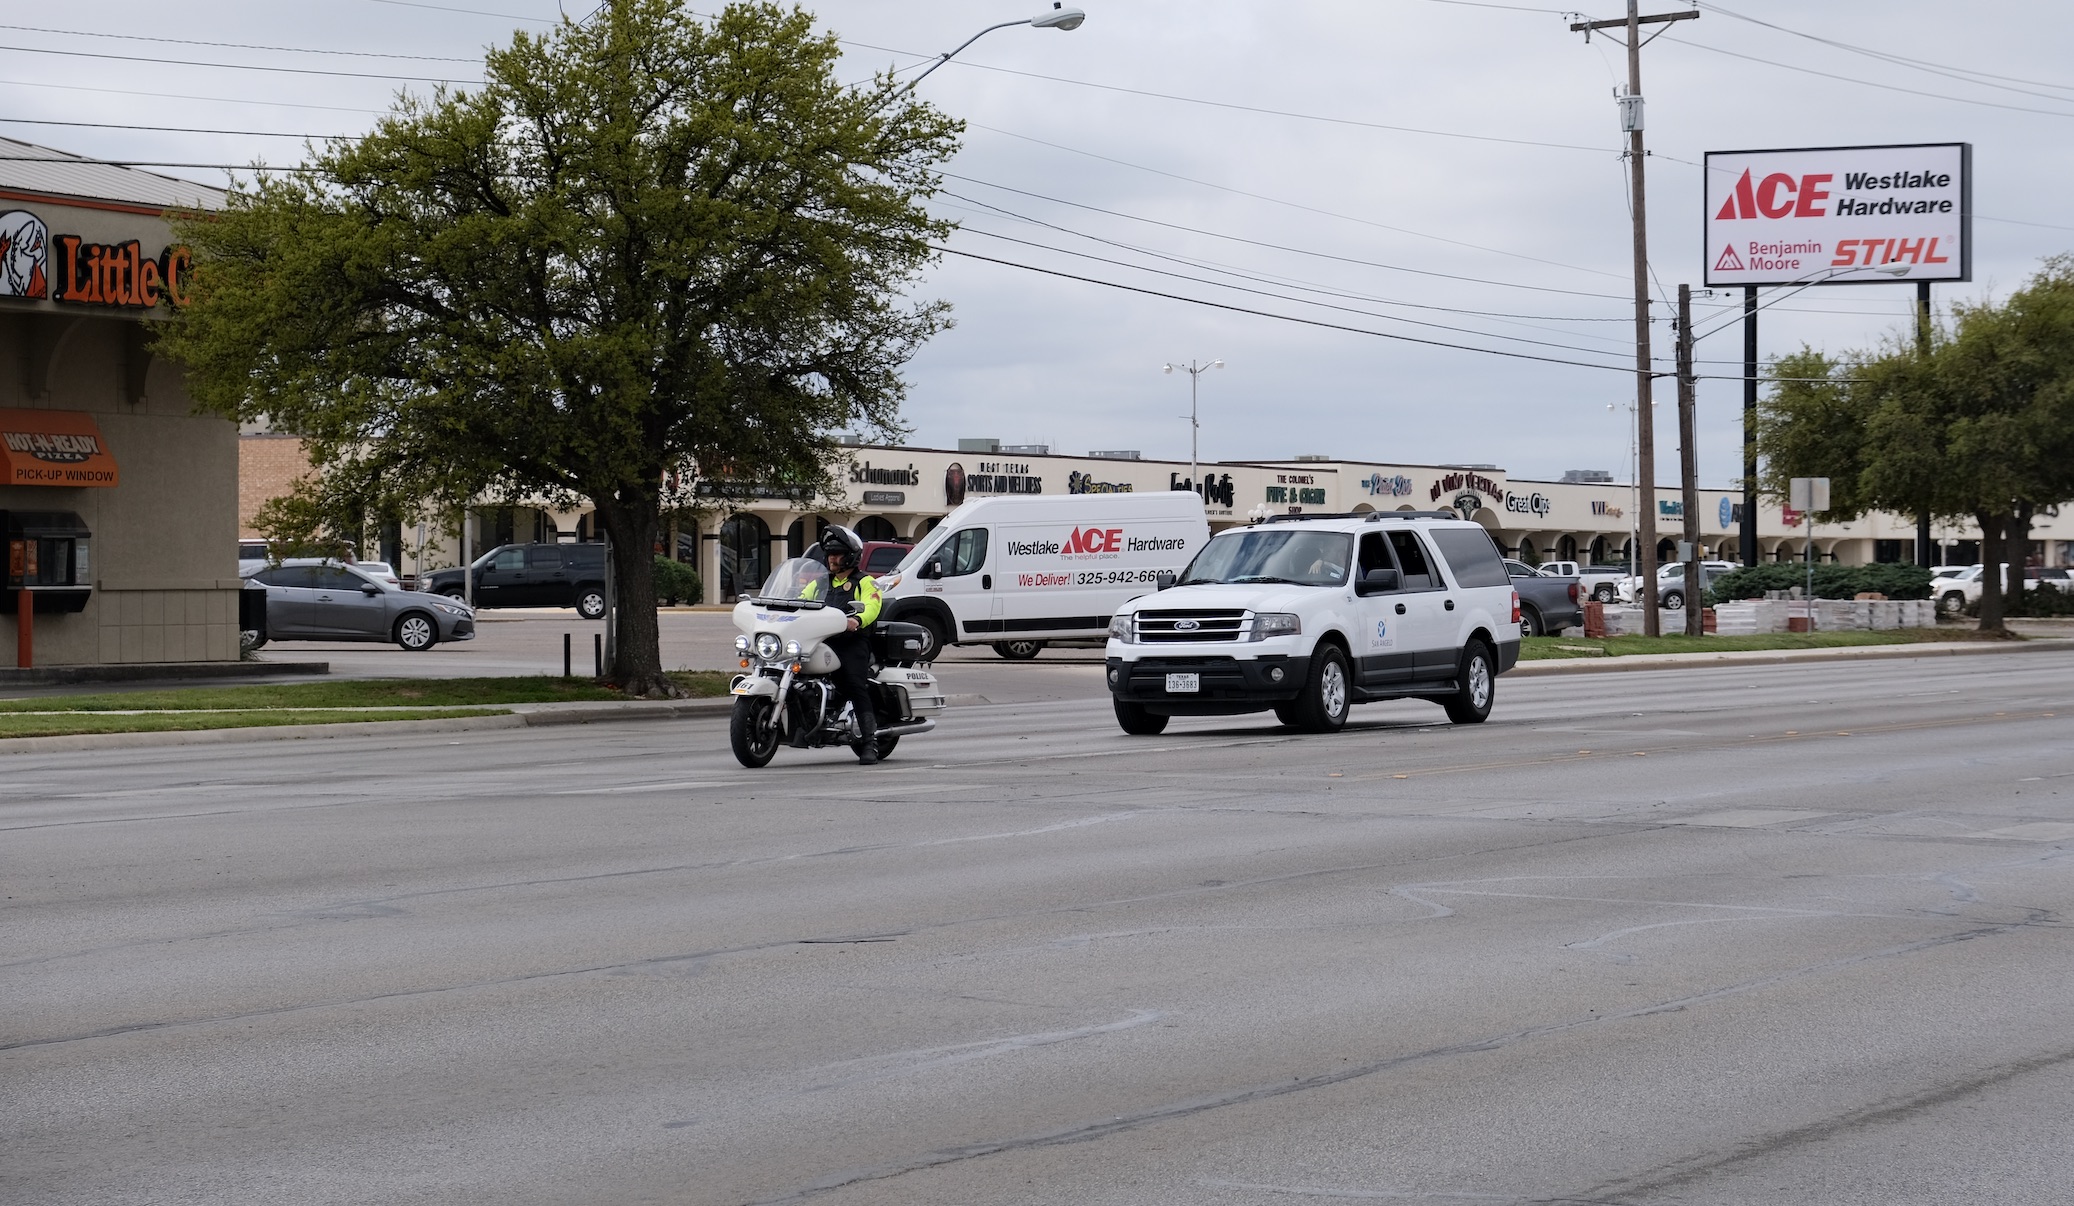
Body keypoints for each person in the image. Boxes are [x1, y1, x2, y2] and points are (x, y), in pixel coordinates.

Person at [800, 525, 885, 763]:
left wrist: (856, 620)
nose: (831, 559)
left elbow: (872, 606)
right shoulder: (819, 584)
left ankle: (870, 742)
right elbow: (798, 601)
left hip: (851, 643)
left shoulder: (865, 582)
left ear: (850, 556)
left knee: (855, 684)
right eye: (829, 554)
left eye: (836, 554)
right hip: (821, 641)